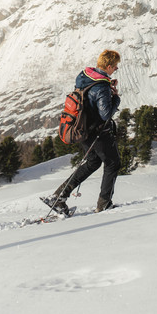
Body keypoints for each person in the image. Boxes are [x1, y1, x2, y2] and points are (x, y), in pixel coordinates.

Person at [44, 49, 122, 213]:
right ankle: (104, 204)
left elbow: (91, 98)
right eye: (115, 66)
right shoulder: (101, 87)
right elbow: (106, 114)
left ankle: (58, 197)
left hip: (82, 130)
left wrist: (108, 86)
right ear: (108, 66)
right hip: (97, 132)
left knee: (93, 162)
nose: (116, 69)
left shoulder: (86, 78)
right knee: (113, 163)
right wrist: (115, 98)